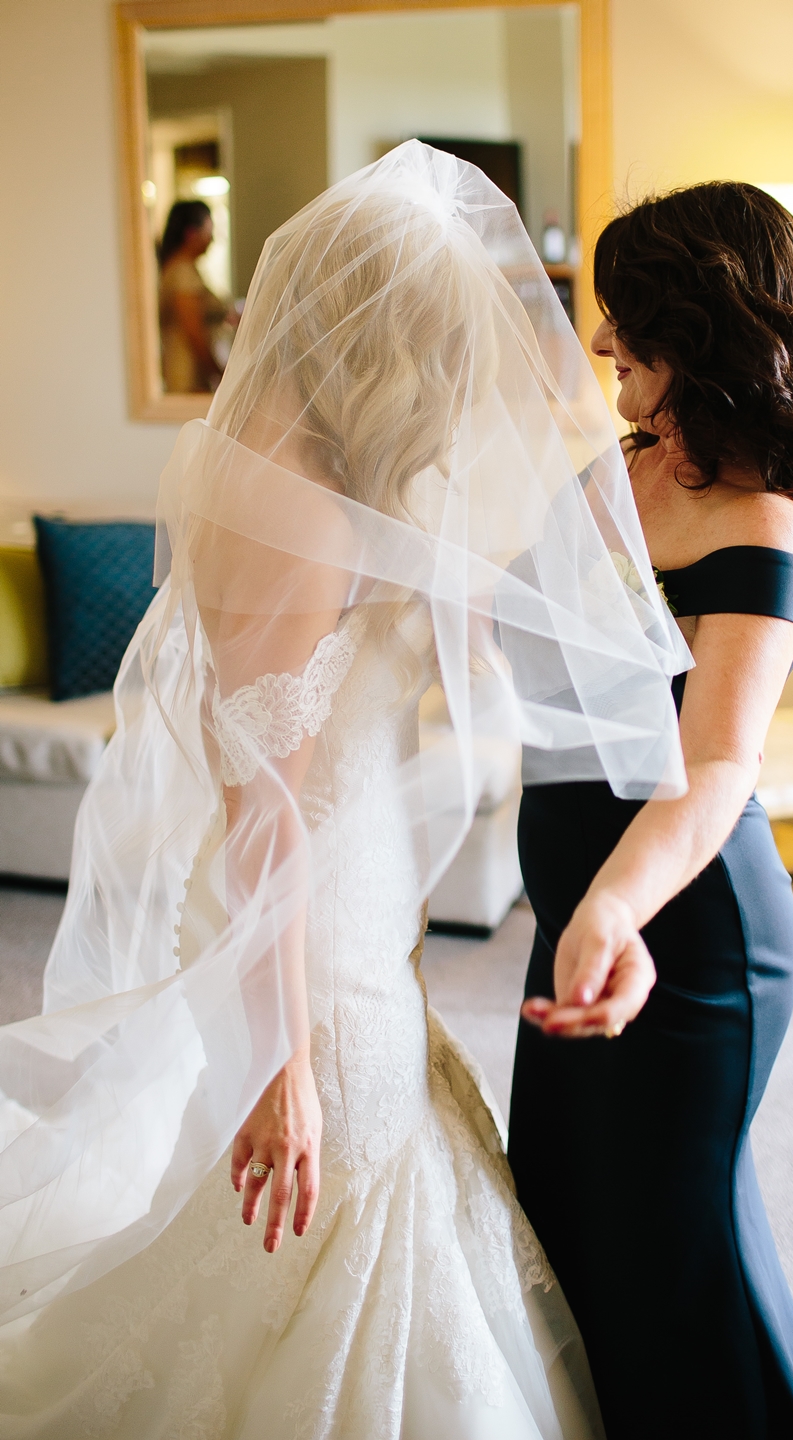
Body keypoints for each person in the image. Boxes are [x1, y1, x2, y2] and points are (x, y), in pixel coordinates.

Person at [0, 143, 689, 1437]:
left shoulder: (321, 470)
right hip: (306, 912)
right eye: (442, 337)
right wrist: (283, 1060)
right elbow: (264, 810)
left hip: (350, 886)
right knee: (343, 1156)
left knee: (358, 1172)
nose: (458, 368)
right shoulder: (299, 509)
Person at [508, 181, 793, 1440]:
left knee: (682, 1253)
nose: (604, 343)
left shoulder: (769, 520)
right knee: (561, 1211)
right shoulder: (624, 465)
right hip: (580, 914)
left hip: (685, 926)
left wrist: (612, 904)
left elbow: (715, 763)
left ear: (702, 330)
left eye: (631, 321)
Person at [158, 198, 230, 394]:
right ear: (191, 233)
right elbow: (193, 330)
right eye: (209, 231)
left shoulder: (184, 269)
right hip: (186, 372)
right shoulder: (182, 273)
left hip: (192, 371)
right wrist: (218, 372)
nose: (212, 239)